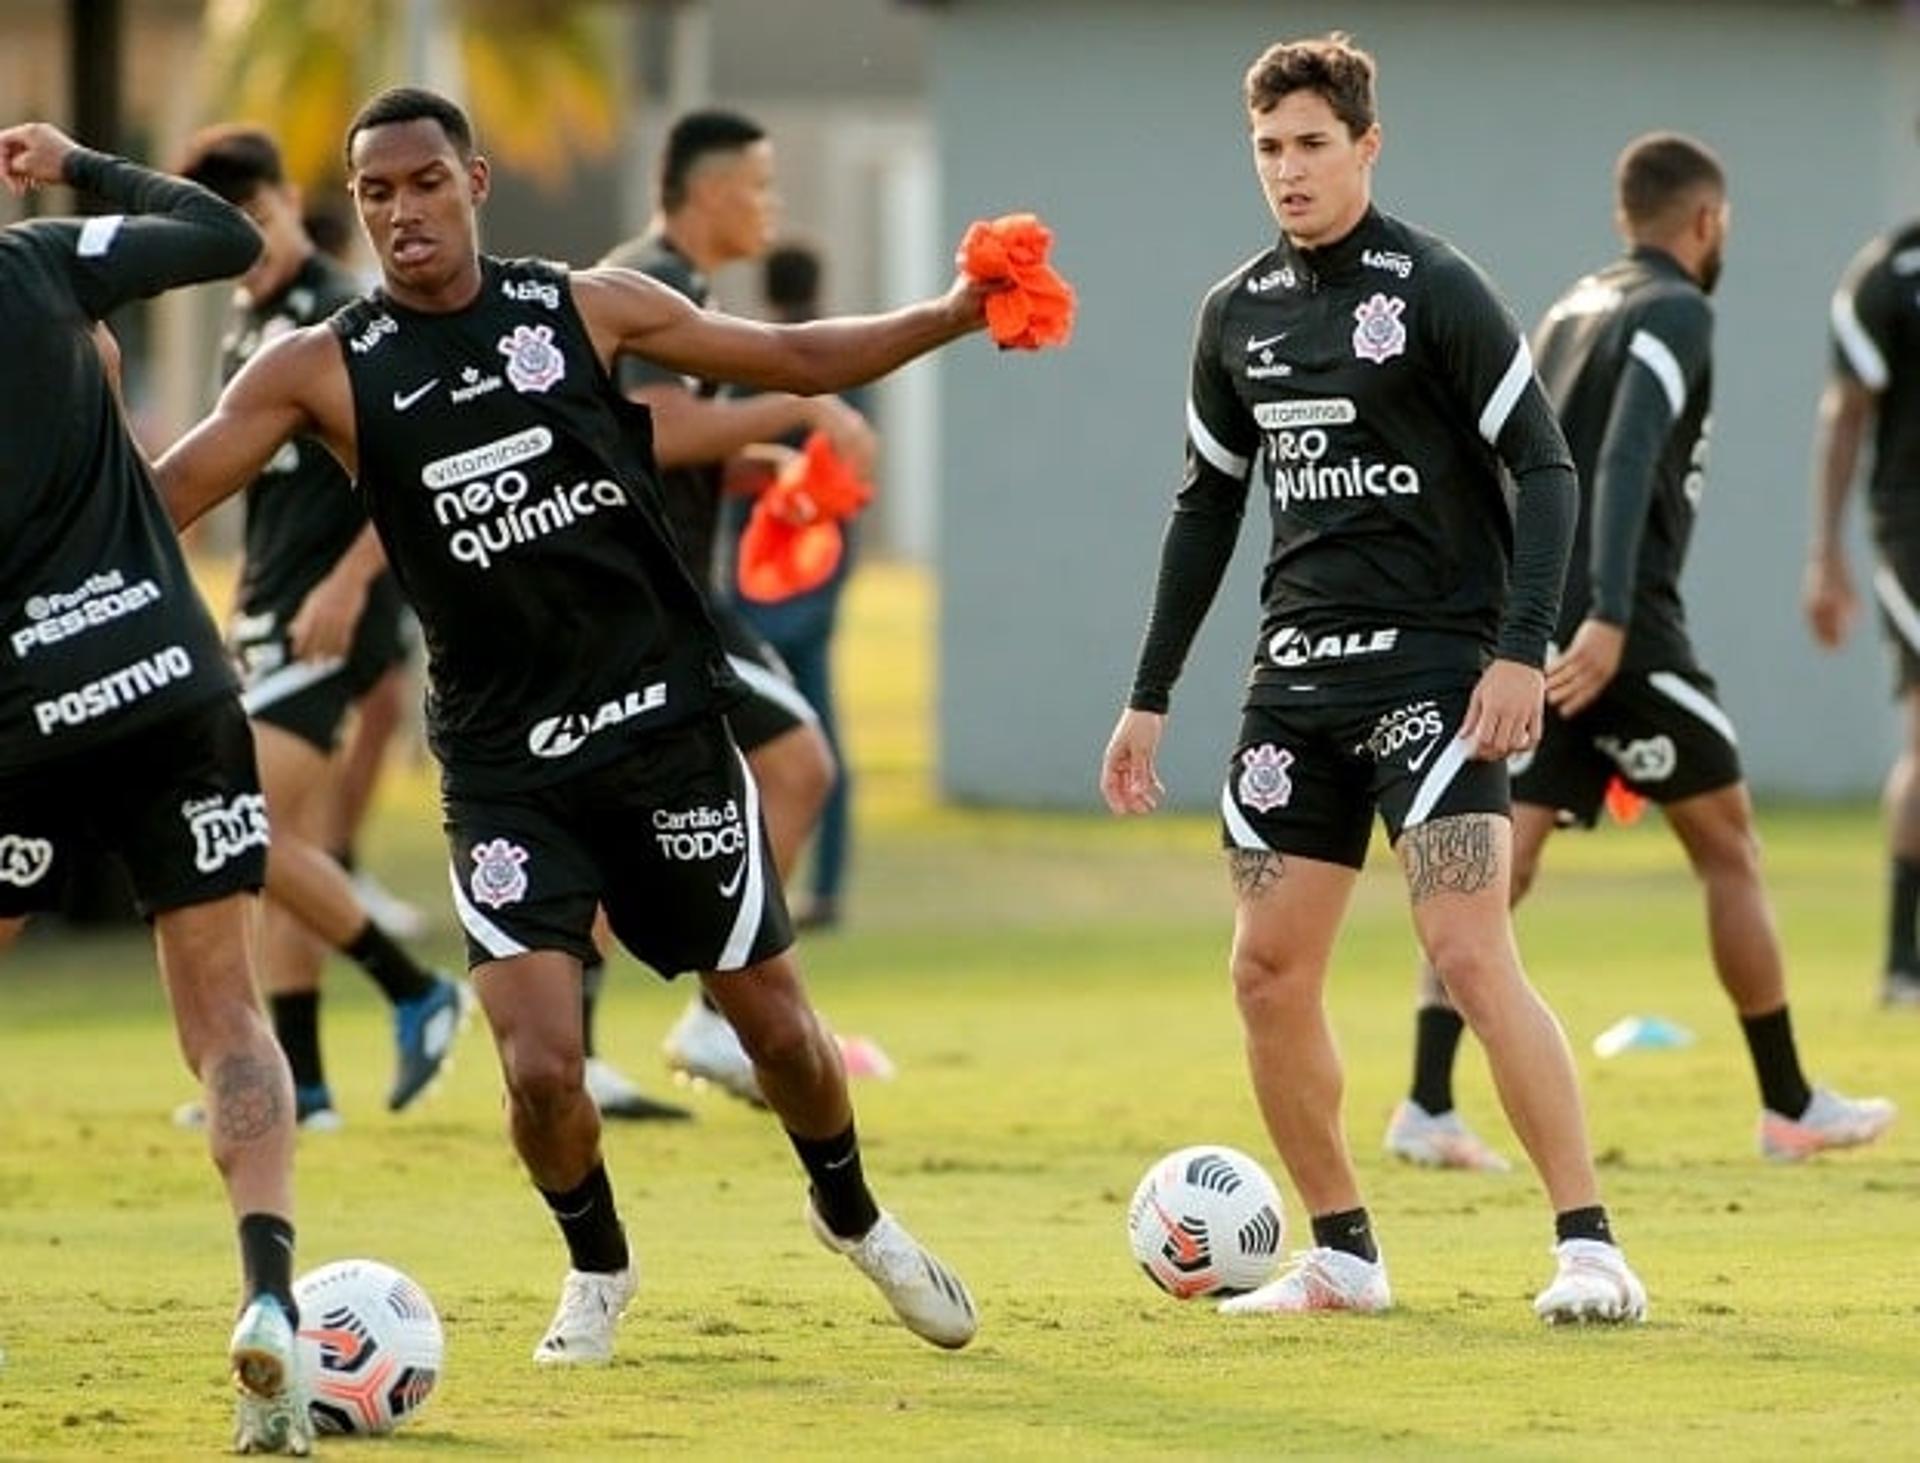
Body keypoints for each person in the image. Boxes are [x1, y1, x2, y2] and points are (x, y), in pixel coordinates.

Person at [156, 86, 988, 1363]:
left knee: (778, 1028)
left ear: (474, 183)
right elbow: (169, 493)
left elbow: (798, 358)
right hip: (502, 769)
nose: (400, 211)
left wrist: (951, 313)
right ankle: (597, 1263)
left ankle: (856, 1215)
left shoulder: (582, 307)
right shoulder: (319, 365)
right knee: (541, 1067)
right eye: (375, 194)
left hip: (661, 734)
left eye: (423, 182)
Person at [1100, 35, 1646, 1323]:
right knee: (1264, 974)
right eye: (1268, 149)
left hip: (1438, 678)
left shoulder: (1436, 286)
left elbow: (1549, 469)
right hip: (1294, 688)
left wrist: (1519, 648)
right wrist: (1150, 691)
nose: (1287, 171)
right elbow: (1205, 510)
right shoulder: (1235, 315)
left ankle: (1591, 1246)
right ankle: (1342, 1253)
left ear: (1366, 146)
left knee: (1466, 948)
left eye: (1310, 145)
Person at [1388, 135, 1896, 1171]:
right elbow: (1619, 455)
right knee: (1730, 844)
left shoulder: (1574, 306)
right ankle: (1790, 1101)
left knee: (1500, 864)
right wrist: (1611, 615)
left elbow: (1510, 456)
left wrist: (1513, 616)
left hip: (1538, 628)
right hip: (1623, 635)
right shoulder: (1676, 310)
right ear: (1706, 222)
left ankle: (1428, 1102)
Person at [0, 121, 311, 1453]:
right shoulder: (38, 266)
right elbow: (228, 235)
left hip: (21, 721)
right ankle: (271, 1302)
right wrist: (78, 162)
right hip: (174, 684)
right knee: (228, 1013)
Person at [172, 124, 468, 1129]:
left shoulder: (344, 315)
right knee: (279, 835)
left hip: (330, 624)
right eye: (230, 231)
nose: (251, 244)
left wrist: (348, 582)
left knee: (237, 822)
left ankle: (415, 985)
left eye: (261, 219)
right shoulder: (245, 323)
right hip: (265, 615)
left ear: (294, 200)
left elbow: (414, 471)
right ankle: (301, 1078)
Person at [594, 110, 876, 1109]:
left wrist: (774, 471)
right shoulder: (652, 279)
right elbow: (663, 426)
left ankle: (581, 1040)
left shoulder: (678, 281)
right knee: (799, 761)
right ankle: (717, 1023)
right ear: (711, 193)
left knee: (613, 825)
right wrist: (801, 409)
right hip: (658, 598)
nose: (772, 202)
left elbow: (644, 443)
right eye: (761, 183)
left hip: (658, 593)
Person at [726, 242, 865, 933]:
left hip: (762, 575)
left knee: (771, 745)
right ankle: (827, 887)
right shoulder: (842, 357)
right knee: (818, 736)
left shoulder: (757, 360)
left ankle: (757, 882)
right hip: (822, 566)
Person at [1807, 167, 1920, 1009]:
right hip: (1913, 533)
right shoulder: (1888, 277)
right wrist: (1828, 553)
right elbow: (1847, 411)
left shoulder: (1886, 271)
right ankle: (1902, 958)